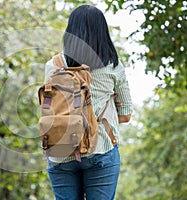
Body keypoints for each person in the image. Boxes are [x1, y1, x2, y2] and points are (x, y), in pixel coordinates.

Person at [44, 5, 133, 200]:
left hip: (60, 150)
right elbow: (125, 115)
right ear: (102, 32)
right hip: (100, 148)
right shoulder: (113, 67)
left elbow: (50, 108)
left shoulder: (53, 65)